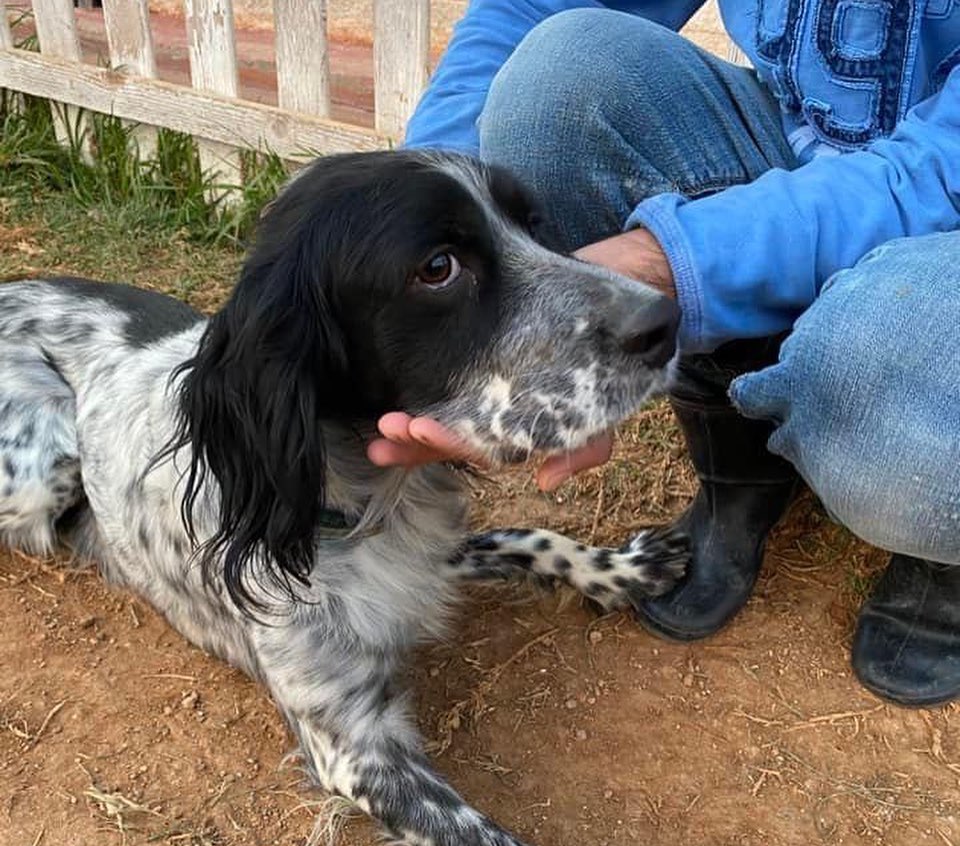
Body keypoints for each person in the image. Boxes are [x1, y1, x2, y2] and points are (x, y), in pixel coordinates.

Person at [366, 1, 960, 707]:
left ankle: (941, 550)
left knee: (882, 358)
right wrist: (420, 203)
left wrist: (673, 262)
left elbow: (939, 167)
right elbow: (529, 6)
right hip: (806, 148)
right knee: (560, 77)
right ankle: (741, 459)